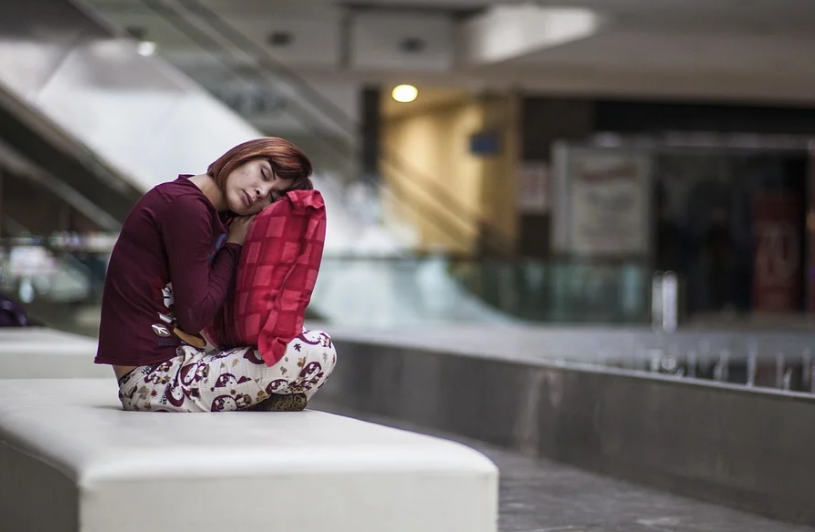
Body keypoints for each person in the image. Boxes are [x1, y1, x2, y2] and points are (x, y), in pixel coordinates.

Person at [94, 138, 336, 412]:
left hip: (174, 366)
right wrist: (233, 246)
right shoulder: (187, 207)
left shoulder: (199, 207)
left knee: (292, 341)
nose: (261, 192)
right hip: (152, 381)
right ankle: (261, 402)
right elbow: (195, 315)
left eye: (273, 196)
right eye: (264, 174)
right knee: (318, 351)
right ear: (243, 155)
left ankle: (261, 402)